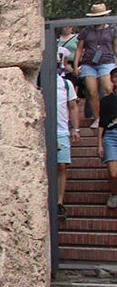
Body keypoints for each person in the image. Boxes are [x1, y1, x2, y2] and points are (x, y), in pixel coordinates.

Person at [74, 4, 117, 128]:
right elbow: (79, 49)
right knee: (92, 92)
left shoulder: (112, 29)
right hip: (89, 63)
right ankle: (97, 118)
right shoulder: (86, 31)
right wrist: (76, 65)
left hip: (106, 61)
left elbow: (115, 48)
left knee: (108, 89)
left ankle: (110, 114)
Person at [57, 67, 80, 220]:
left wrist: (76, 128)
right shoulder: (40, 81)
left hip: (61, 130)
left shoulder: (66, 84)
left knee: (62, 165)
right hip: (44, 129)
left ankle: (59, 201)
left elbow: (73, 106)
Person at [97, 73, 117, 209]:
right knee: (113, 172)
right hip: (110, 134)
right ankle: (114, 193)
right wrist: (99, 143)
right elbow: (102, 123)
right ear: (112, 79)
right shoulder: (106, 101)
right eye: (115, 76)